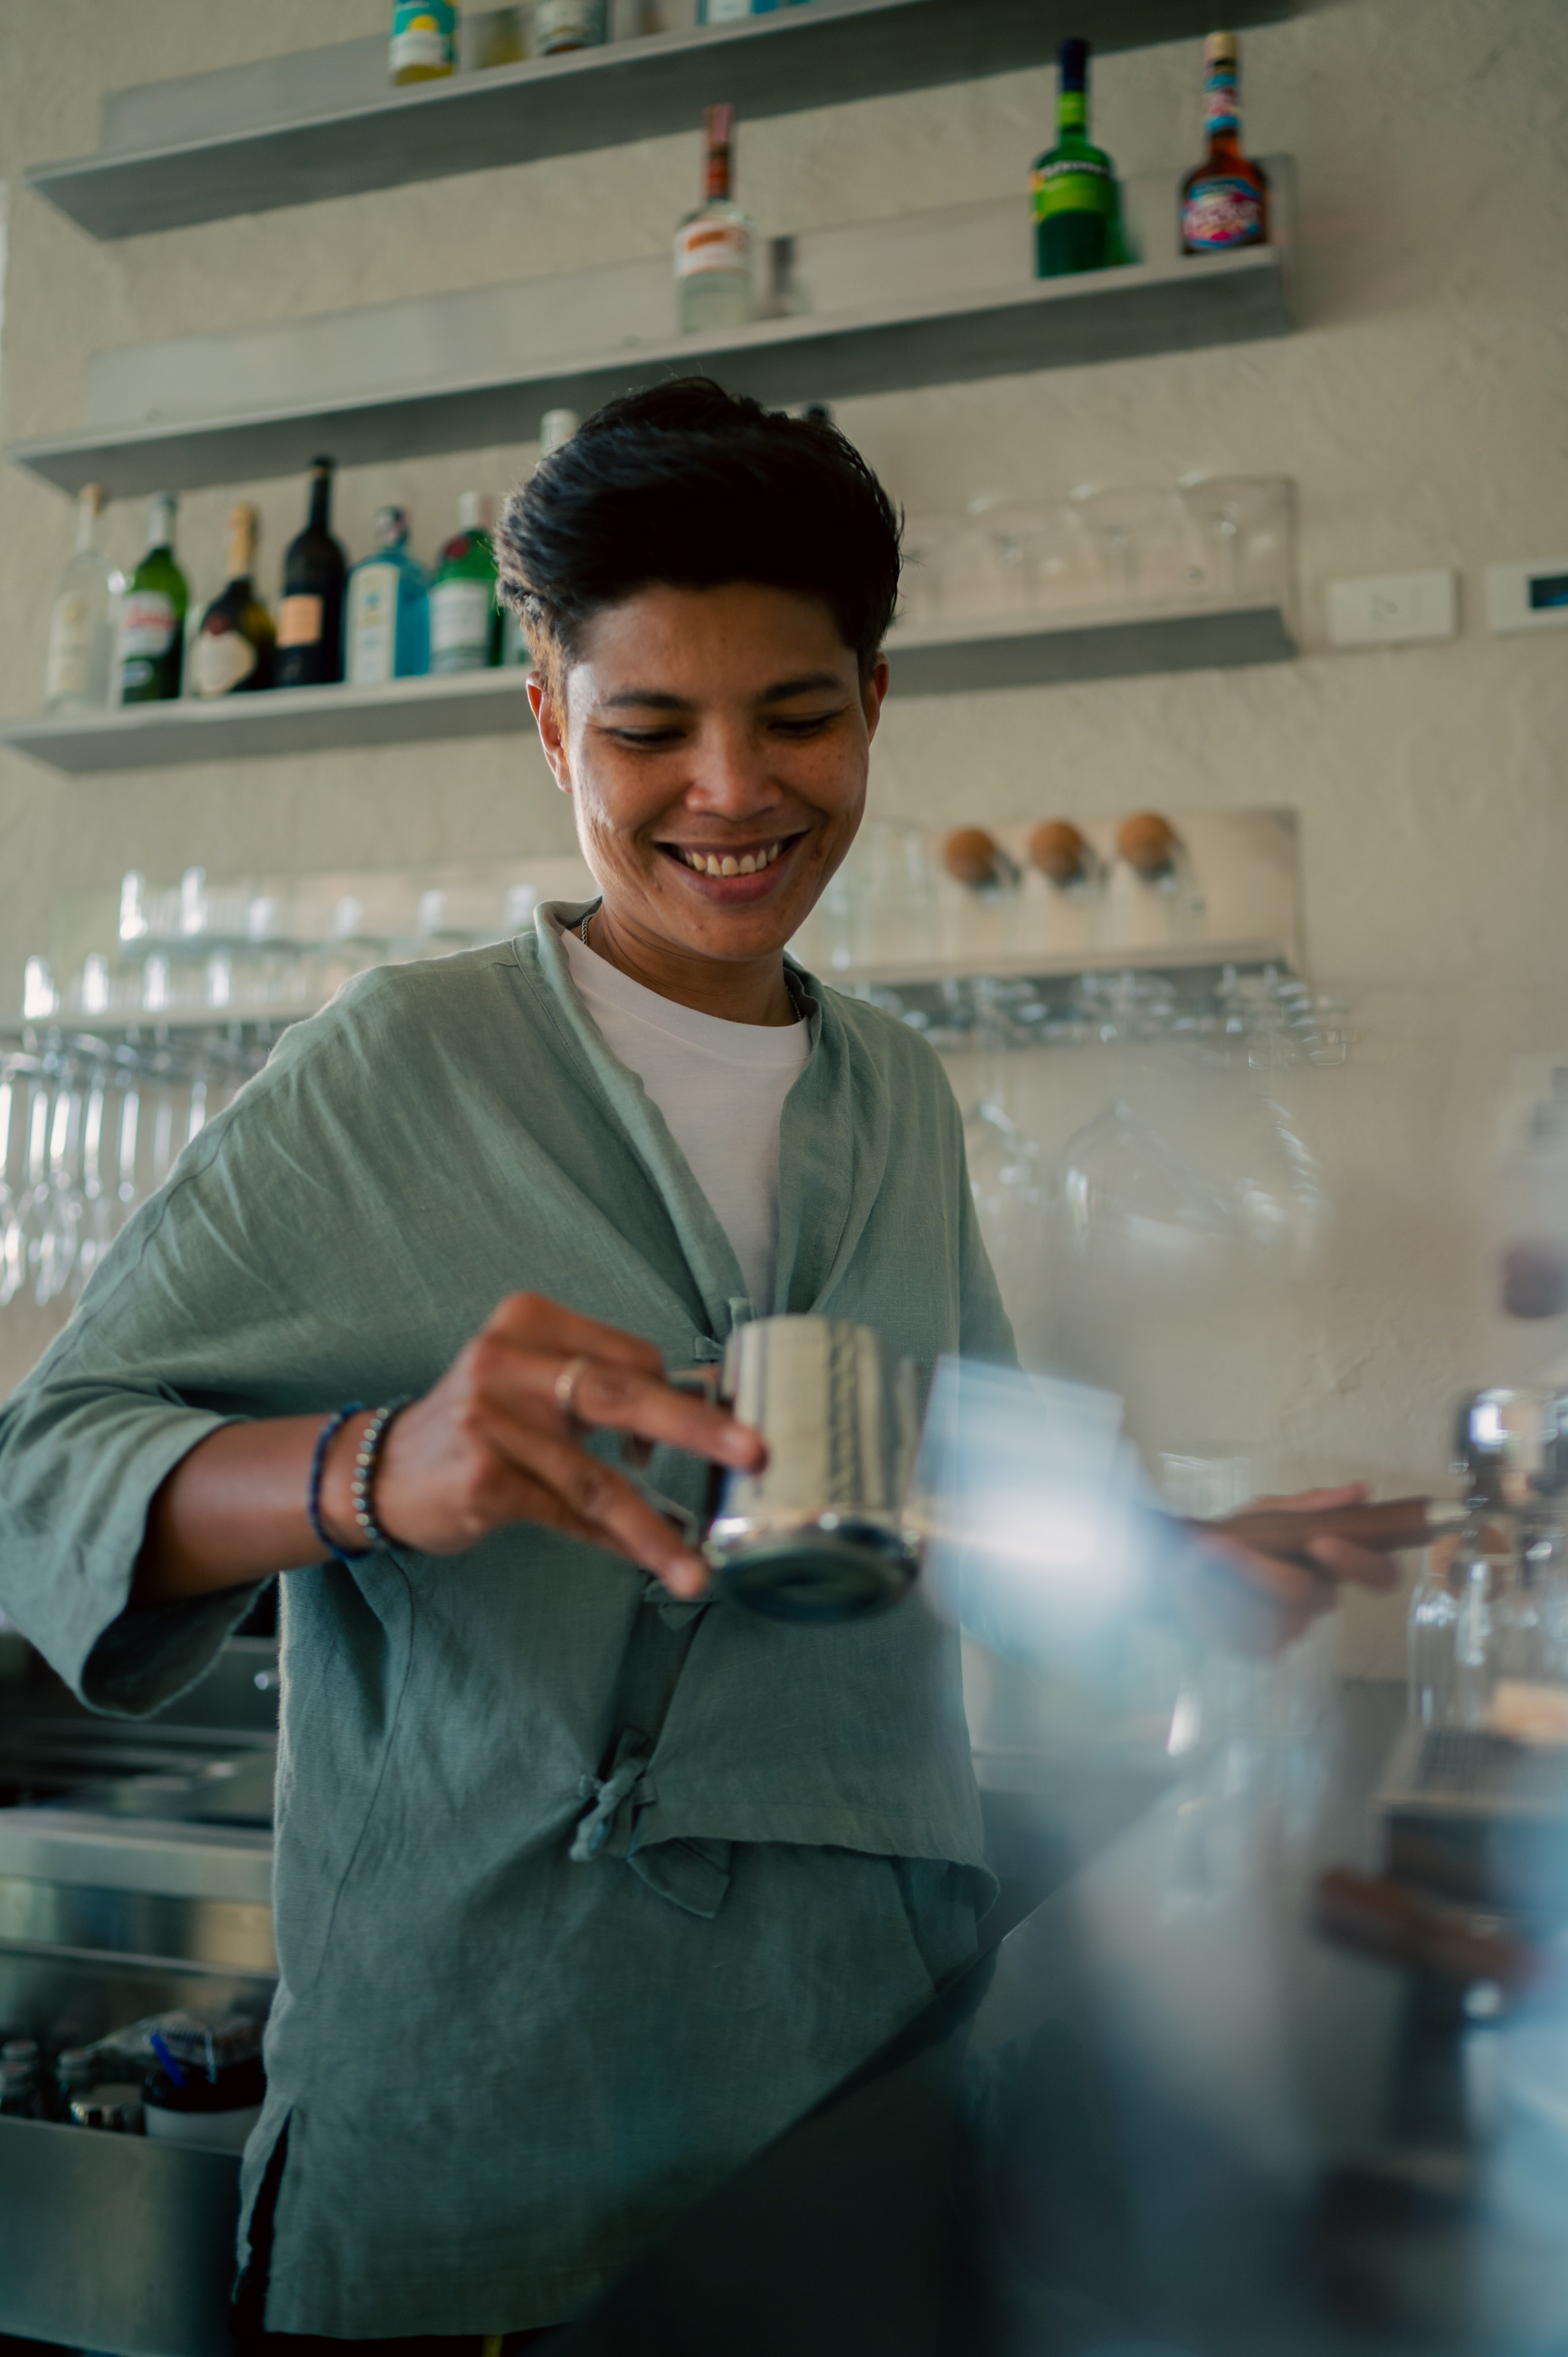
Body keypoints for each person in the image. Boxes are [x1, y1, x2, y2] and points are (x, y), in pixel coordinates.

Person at [0, 380, 1390, 2348]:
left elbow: (946, 1484)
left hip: (842, 2103)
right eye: (649, 728)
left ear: (878, 702)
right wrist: (384, 1467)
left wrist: (1167, 1556)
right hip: (493, 2118)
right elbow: (38, 1476)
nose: (731, 792)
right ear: (553, 720)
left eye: (798, 717)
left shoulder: (890, 1090)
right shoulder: (406, 1065)